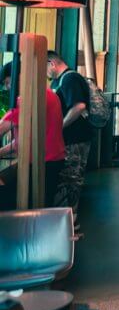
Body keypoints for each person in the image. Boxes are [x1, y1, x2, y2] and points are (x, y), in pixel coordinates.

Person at [0, 62, 66, 206]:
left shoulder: (28, 99)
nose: (7, 88)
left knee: (32, 208)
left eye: (7, 82)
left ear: (19, 77)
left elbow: (2, 127)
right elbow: (25, 138)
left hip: (43, 163)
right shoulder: (46, 93)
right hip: (50, 161)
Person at [47, 51, 91, 229]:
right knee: (68, 179)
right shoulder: (60, 80)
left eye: (45, 68)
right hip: (70, 139)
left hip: (76, 138)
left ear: (52, 63)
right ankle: (67, 222)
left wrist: (59, 127)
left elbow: (79, 106)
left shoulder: (70, 79)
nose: (46, 73)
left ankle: (71, 223)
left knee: (71, 179)